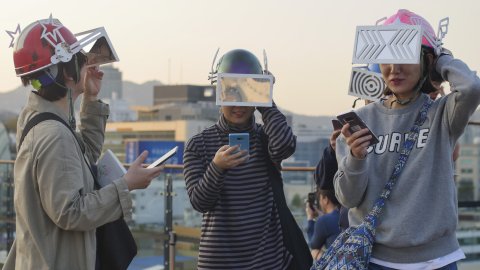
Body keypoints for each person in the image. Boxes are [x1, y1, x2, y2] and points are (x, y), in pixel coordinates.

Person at [3, 17, 163, 270]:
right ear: (66, 73)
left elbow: (82, 157)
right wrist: (126, 186)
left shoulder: (37, 120)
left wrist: (90, 99)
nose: (86, 66)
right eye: (80, 60)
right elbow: (71, 212)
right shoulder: (54, 133)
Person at [334, 9, 480, 269]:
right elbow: (347, 199)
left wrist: (441, 57)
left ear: (427, 61)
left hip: (437, 259)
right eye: (386, 58)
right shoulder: (359, 119)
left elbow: (471, 88)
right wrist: (356, 159)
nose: (395, 68)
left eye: (406, 55)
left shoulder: (442, 113)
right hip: (374, 258)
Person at [183, 49, 310, 269]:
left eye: (246, 94)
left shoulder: (265, 137)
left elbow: (285, 147)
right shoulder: (198, 144)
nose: (238, 105)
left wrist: (265, 99)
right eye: (230, 94)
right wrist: (217, 167)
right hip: (218, 260)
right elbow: (199, 202)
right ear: (219, 92)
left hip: (266, 259)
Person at [306, 130, 342, 260]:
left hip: (337, 264)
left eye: (320, 197)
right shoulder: (346, 215)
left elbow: (313, 245)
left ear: (325, 199)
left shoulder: (325, 221)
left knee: (316, 253)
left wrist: (310, 219)